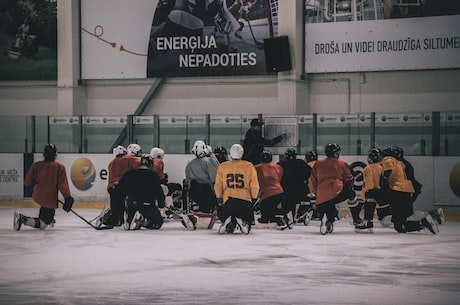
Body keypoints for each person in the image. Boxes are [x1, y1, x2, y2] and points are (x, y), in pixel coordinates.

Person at [14, 144, 74, 231]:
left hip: (38, 195)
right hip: (49, 199)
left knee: (46, 212)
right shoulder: (59, 167)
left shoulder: (36, 165)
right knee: (43, 224)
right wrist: (67, 198)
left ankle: (49, 218)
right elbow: (63, 185)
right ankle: (23, 219)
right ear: (55, 154)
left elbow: (27, 182)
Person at [380, 147, 439, 234]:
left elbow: (387, 174)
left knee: (399, 224)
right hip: (407, 192)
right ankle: (423, 222)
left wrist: (384, 180)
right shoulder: (401, 163)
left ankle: (425, 220)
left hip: (398, 191)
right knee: (402, 223)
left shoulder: (388, 159)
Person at [311, 143, 357, 235]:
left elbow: (313, 180)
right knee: (351, 193)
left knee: (327, 203)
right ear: (335, 153)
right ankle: (357, 219)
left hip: (321, 196)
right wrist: (350, 182)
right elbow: (349, 179)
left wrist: (315, 192)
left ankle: (328, 220)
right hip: (336, 192)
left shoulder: (318, 164)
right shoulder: (341, 163)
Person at [214, 143, 259, 234]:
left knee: (223, 210)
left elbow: (218, 184)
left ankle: (227, 220)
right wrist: (254, 197)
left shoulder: (223, 166)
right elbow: (254, 184)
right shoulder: (249, 166)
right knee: (247, 215)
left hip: (228, 201)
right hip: (244, 201)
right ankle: (244, 221)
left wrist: (219, 197)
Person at [117, 155, 166, 230]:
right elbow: (159, 192)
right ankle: (143, 220)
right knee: (157, 223)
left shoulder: (129, 174)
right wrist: (161, 204)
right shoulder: (153, 175)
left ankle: (130, 220)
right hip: (147, 205)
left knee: (131, 212)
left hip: (131, 205)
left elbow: (120, 189)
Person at [100, 145, 140, 227]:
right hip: (122, 186)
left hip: (111, 187)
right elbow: (138, 163)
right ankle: (129, 217)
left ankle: (116, 219)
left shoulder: (111, 163)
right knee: (129, 202)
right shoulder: (128, 158)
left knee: (116, 205)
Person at [355, 148, 392, 232]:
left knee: (369, 194)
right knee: (385, 220)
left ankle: (368, 221)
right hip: (386, 197)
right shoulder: (383, 167)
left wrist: (366, 201)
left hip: (377, 197)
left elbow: (369, 187)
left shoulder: (368, 168)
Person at [277, 148, 311, 223]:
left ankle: (287, 215)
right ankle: (300, 214)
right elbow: (309, 172)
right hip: (300, 191)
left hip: (285, 191)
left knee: (286, 201)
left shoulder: (280, 164)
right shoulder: (301, 163)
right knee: (302, 199)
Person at [185, 140, 219, 213]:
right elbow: (215, 179)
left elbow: (187, 181)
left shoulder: (189, 164)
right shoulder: (209, 161)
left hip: (194, 193)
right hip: (208, 193)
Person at [254, 149, 285, 227]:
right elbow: (279, 178)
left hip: (267, 193)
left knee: (265, 215)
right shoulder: (278, 167)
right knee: (271, 208)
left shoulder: (256, 167)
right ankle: (278, 218)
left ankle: (277, 219)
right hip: (279, 192)